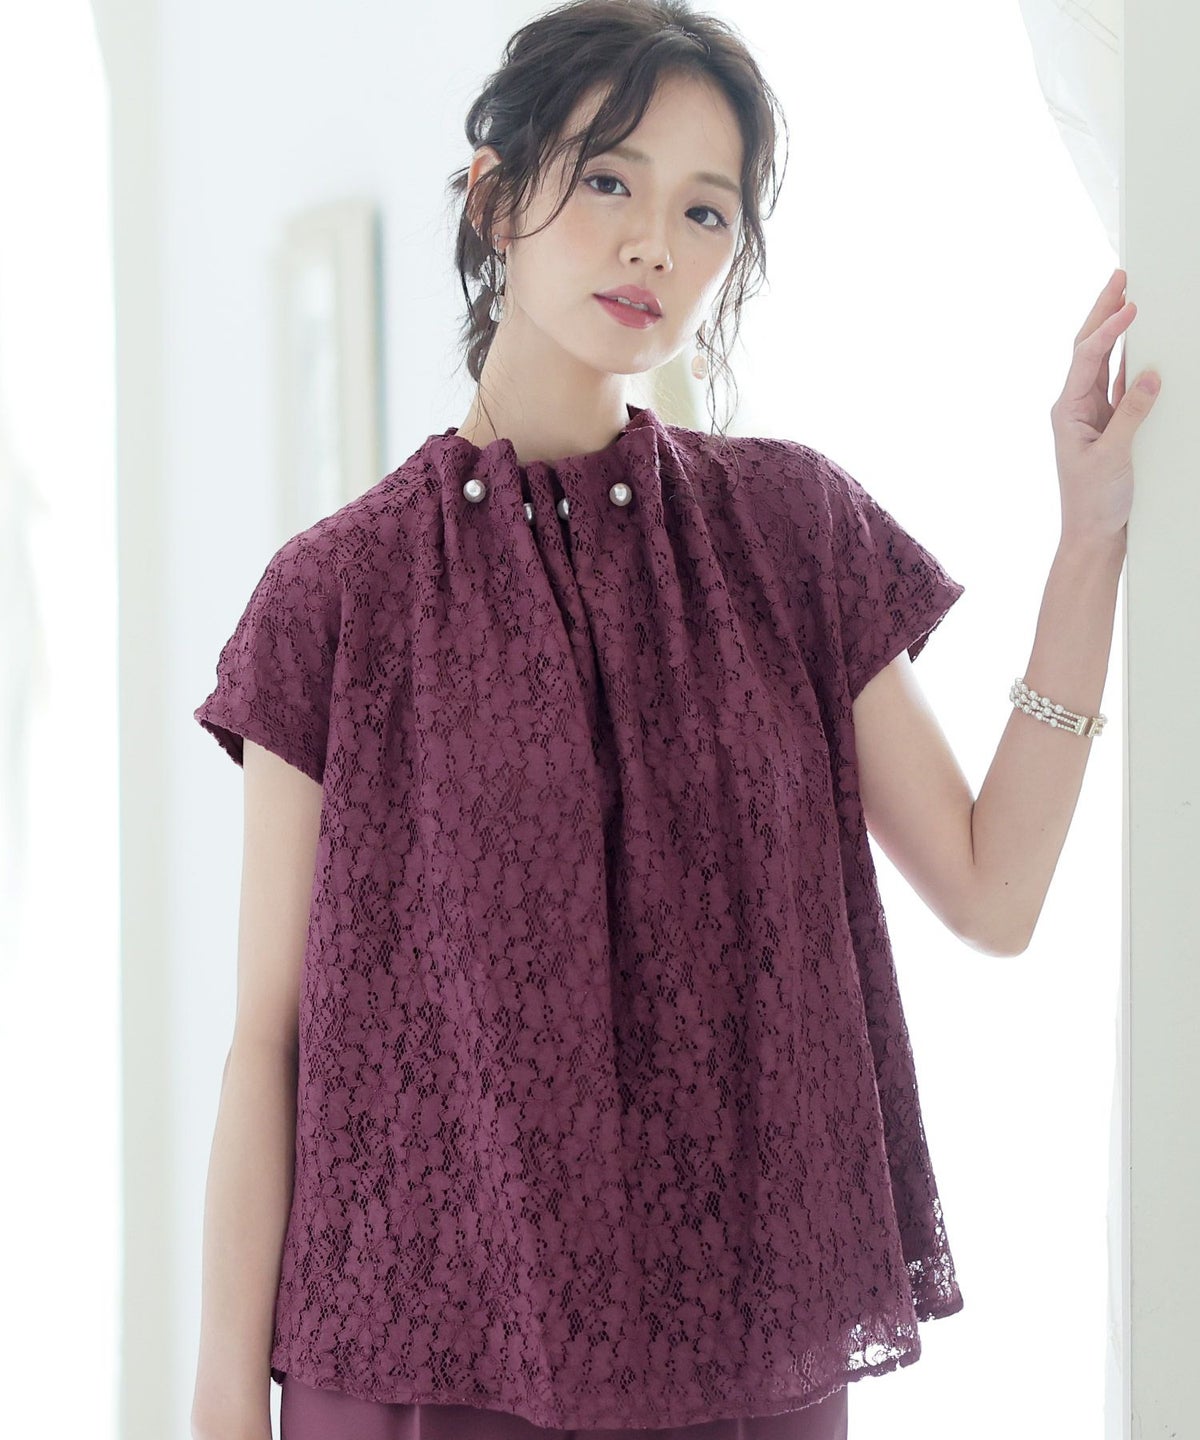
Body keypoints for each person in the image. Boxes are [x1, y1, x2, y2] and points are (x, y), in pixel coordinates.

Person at [189, 2, 1161, 1439]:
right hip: (417, 1363)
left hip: (742, 1350)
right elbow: (267, 1041)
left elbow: (993, 892)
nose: (654, 242)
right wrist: (219, 1406)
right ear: (494, 197)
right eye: (608, 180)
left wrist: (1090, 544)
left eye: (705, 210)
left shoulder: (788, 534)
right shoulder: (338, 596)